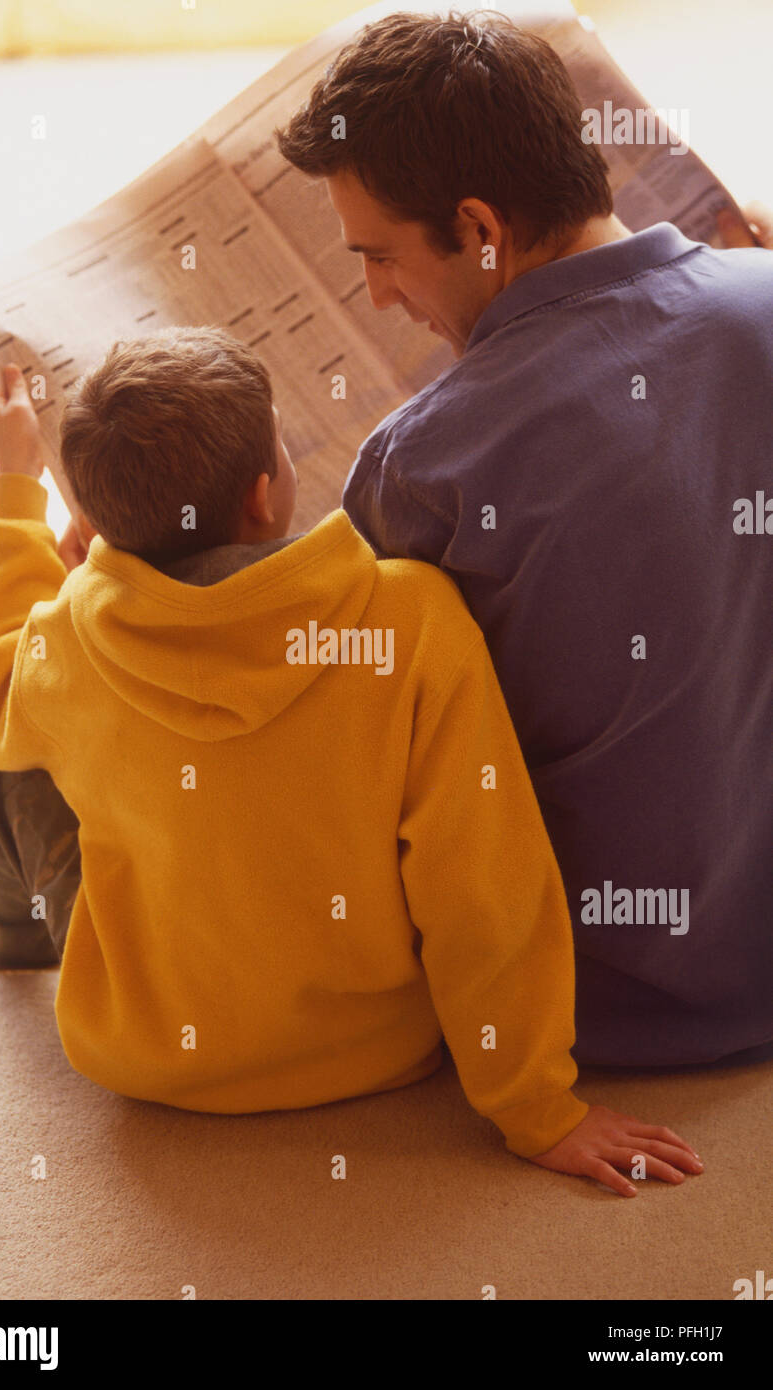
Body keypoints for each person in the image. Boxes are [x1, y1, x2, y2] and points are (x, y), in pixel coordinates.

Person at [0, 328, 703, 1195]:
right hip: (373, 1057)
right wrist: (537, 1106)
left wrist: (14, 492)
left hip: (147, 1058)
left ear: (105, 520)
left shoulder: (71, 640)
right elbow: (485, 888)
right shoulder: (411, 623)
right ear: (264, 495)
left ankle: (16, 969)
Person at [276, 9, 773, 1069]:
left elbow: (317, 739)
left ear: (480, 225)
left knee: (18, 716)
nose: (376, 293)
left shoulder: (423, 459)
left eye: (379, 255)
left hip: (583, 1005)